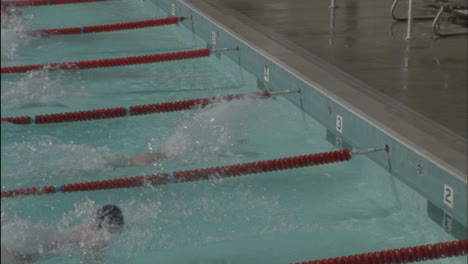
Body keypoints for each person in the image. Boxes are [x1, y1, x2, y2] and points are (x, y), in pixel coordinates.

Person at [1, 205, 124, 264]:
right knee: (23, 258)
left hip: (50, 236)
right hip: (52, 243)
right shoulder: (98, 237)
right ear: (111, 224)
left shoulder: (90, 223)